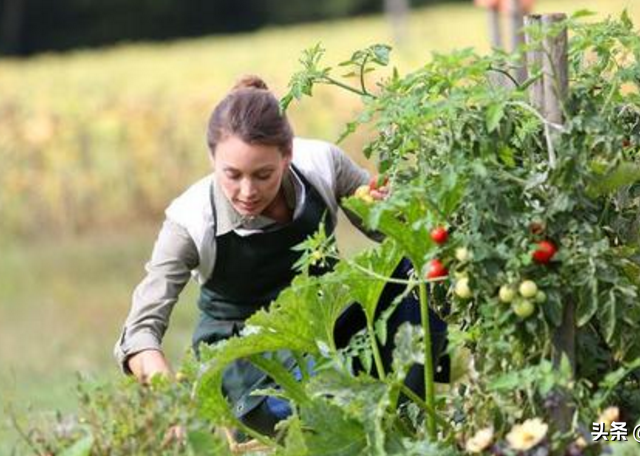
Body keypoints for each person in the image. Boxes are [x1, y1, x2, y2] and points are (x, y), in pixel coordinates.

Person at [113, 75, 448, 436]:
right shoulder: (191, 221)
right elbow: (139, 332)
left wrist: (414, 207)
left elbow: (401, 232)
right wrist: (171, 396)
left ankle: (406, 426)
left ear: (287, 154)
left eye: (263, 174)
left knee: (418, 275)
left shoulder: (321, 164)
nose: (247, 191)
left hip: (330, 323)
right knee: (320, 418)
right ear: (212, 158)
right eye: (232, 175)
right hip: (255, 359)